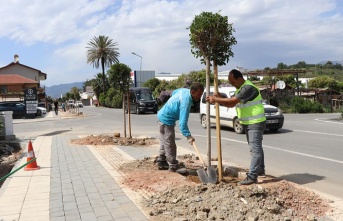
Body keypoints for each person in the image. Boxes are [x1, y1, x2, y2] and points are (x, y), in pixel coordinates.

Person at [206, 69, 266, 185]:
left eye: (233, 82)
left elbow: (232, 102)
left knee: (255, 149)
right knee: (256, 147)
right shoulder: (240, 88)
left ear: (239, 78)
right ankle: (260, 169)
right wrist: (220, 96)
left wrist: (216, 99)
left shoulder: (248, 88)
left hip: (255, 122)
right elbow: (229, 100)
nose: (232, 84)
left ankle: (252, 176)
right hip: (250, 122)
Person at [156, 83, 204, 172]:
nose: (200, 97)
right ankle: (173, 165)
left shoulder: (184, 91)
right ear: (192, 92)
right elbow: (182, 124)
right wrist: (188, 136)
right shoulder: (186, 103)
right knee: (170, 143)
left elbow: (174, 93)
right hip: (167, 119)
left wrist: (174, 104)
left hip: (161, 115)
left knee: (164, 140)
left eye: (201, 94)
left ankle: (162, 160)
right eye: (198, 94)